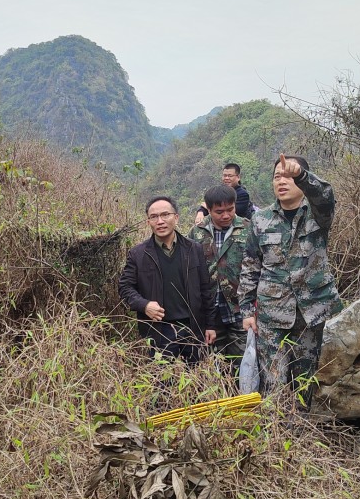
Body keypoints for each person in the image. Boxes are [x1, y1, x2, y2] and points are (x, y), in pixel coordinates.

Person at [238, 154, 340, 401]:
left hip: (311, 313)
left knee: (306, 380)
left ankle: (301, 432)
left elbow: (325, 196)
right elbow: (251, 265)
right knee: (273, 382)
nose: (281, 182)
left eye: (288, 176)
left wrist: (303, 176)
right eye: (276, 177)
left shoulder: (317, 214)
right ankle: (275, 432)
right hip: (271, 315)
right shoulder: (261, 220)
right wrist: (246, 312)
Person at [118, 194, 216, 365]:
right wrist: (144, 305)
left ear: (176, 217)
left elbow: (206, 289)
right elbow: (125, 287)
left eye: (165, 215)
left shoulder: (194, 249)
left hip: (193, 328)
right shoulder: (139, 254)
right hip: (160, 331)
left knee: (196, 382)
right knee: (163, 385)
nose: (160, 221)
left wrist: (210, 325)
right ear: (148, 221)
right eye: (154, 217)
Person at [189, 183, 251, 370]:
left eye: (230, 209)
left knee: (243, 364)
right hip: (210, 312)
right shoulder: (197, 233)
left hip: (240, 310)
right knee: (214, 366)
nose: (226, 215)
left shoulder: (249, 229)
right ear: (208, 209)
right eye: (219, 211)